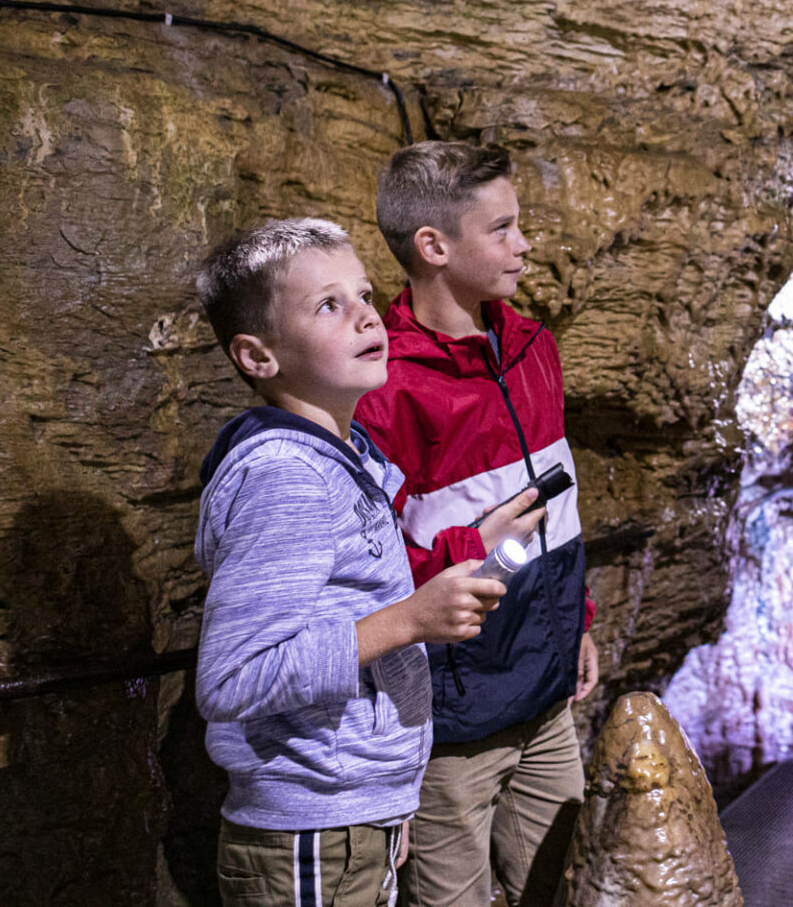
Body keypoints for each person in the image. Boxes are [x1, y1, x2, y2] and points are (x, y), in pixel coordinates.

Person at [192, 217, 507, 907]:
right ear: (258, 356)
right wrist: (408, 621)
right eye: (328, 305)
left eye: (364, 294)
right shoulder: (287, 477)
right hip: (311, 828)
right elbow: (232, 678)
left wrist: (387, 796)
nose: (367, 315)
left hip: (348, 815)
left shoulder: (345, 458)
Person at [357, 143, 600, 907]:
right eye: (501, 229)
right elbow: (366, 573)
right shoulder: (384, 389)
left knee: (563, 889)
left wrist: (577, 619)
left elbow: (553, 517)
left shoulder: (534, 350)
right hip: (453, 725)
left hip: (545, 698)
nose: (524, 245)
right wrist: (477, 547)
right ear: (433, 246)